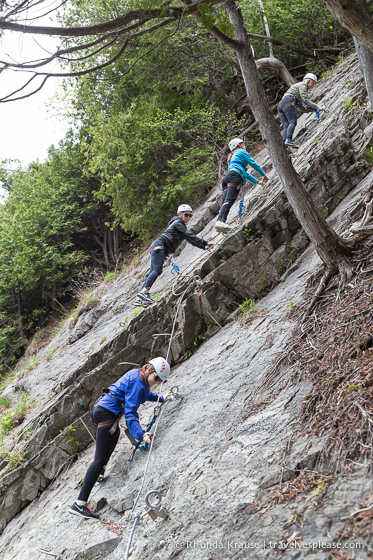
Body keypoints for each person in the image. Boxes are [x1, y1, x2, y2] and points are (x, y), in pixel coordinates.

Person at [69, 357, 172, 519]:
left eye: (161, 381)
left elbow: (144, 395)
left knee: (114, 434)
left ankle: (100, 471)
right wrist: (141, 434)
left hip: (103, 409)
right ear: (150, 370)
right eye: (157, 378)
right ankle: (80, 503)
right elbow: (131, 414)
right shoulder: (139, 384)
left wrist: (160, 399)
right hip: (106, 412)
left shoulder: (137, 375)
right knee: (98, 458)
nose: (158, 382)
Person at [135, 205, 213, 306]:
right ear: (180, 214)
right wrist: (205, 243)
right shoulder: (178, 223)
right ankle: (144, 292)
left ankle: (140, 298)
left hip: (159, 246)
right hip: (160, 246)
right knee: (157, 270)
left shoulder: (179, 224)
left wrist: (203, 247)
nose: (188, 217)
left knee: (153, 272)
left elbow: (189, 240)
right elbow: (189, 235)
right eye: (186, 215)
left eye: (190, 215)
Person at [215, 138, 269, 234]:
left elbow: (245, 174)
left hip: (227, 178)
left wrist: (257, 182)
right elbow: (253, 163)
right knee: (229, 200)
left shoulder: (232, 158)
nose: (245, 146)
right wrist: (263, 175)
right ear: (239, 145)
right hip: (235, 177)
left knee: (226, 201)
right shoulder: (241, 152)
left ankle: (221, 223)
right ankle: (220, 222)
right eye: (243, 144)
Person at [278, 72, 326, 149]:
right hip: (288, 101)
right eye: (312, 82)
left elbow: (301, 107)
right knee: (292, 122)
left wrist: (313, 110)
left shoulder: (297, 89)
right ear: (307, 81)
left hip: (281, 105)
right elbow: (305, 100)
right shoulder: (303, 86)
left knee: (287, 126)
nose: (313, 85)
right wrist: (318, 107)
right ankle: (289, 140)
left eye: (314, 84)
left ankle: (284, 145)